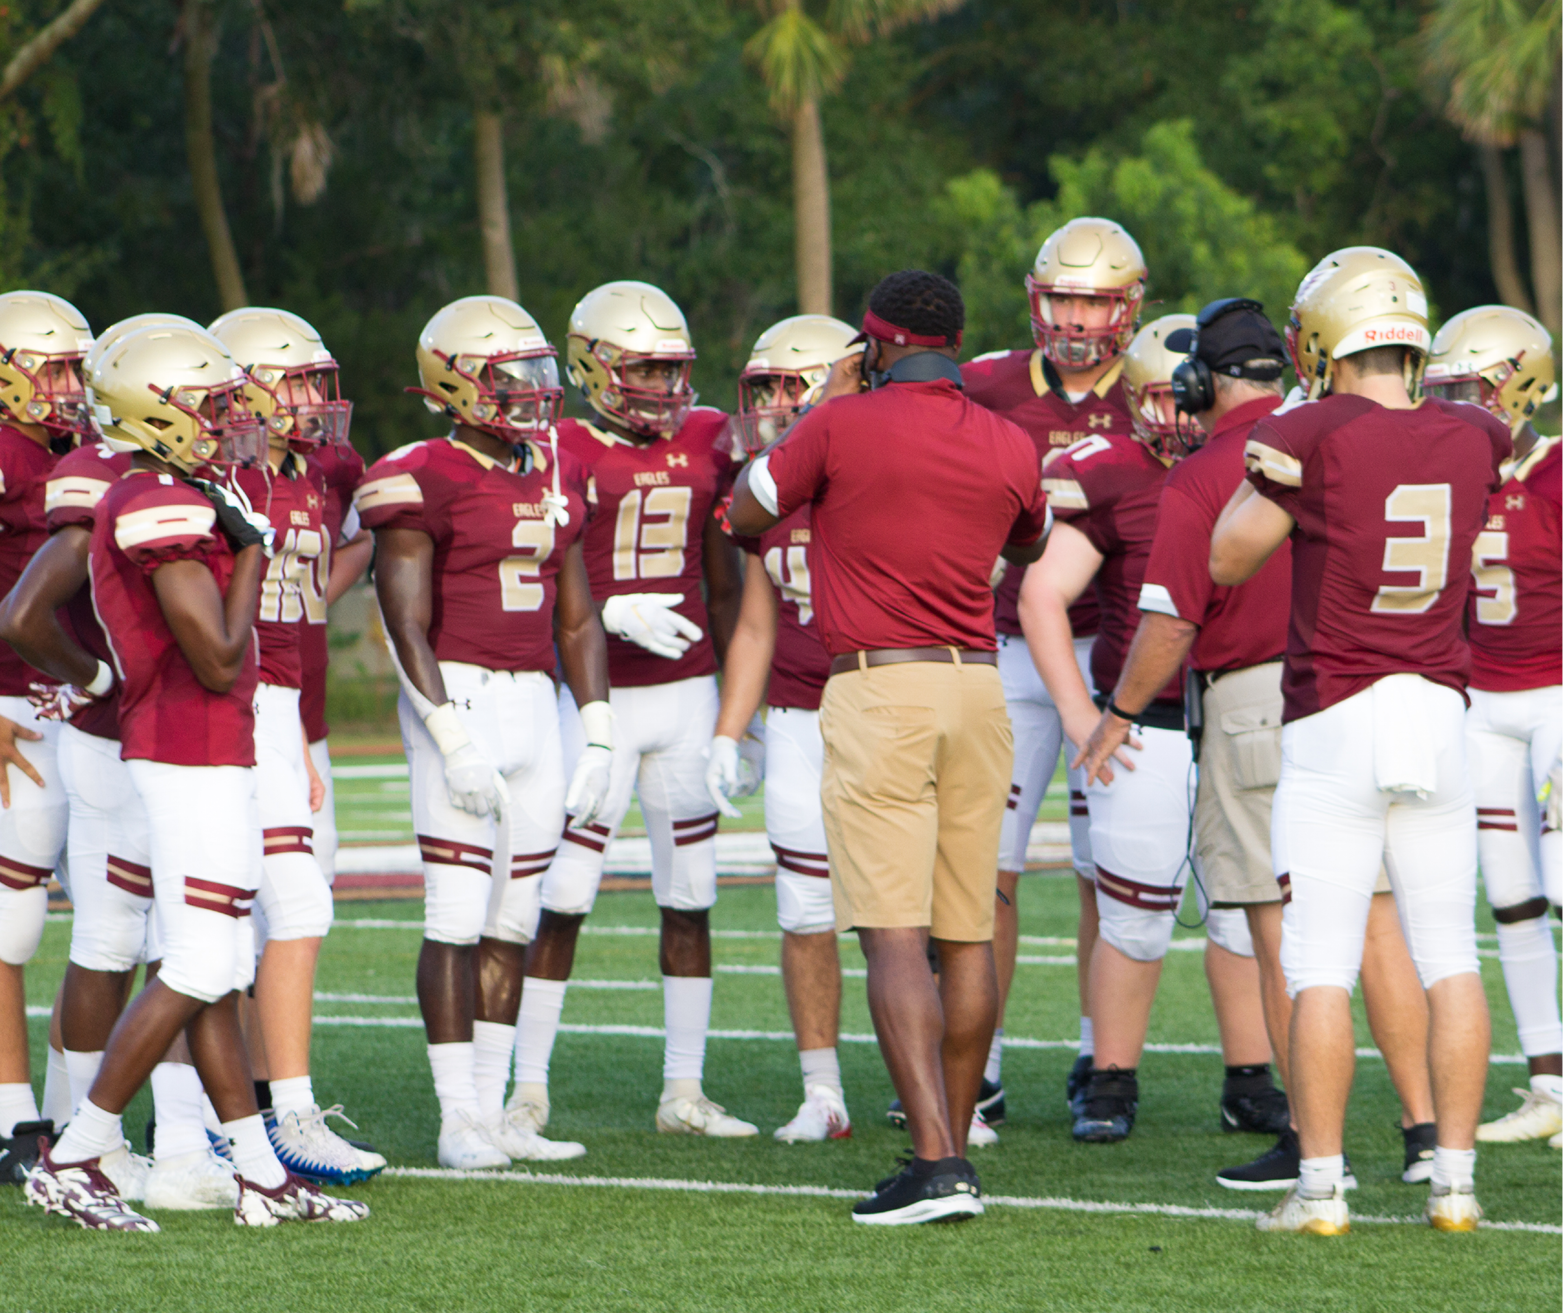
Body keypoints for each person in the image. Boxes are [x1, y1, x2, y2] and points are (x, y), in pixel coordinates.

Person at [1074, 298, 1438, 1190]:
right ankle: (1427, 1131)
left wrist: (1119, 713)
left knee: (1282, 935)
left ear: (1198, 381)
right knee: (1382, 926)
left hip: (1253, 706)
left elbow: (1170, 620)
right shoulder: (1356, 437)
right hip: (1372, 693)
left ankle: (1312, 1144)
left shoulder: (1207, 473)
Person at [24, 323, 367, 1229]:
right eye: (210, 404)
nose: (231, 418)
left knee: (207, 959)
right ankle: (74, 1150)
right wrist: (252, 550)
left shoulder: (182, 487)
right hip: (185, 742)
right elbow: (216, 657)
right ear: (154, 411)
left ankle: (256, 1166)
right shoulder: (152, 497)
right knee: (199, 958)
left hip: (207, 742)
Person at [730, 269, 1050, 1225]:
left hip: (880, 683)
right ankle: (951, 1147)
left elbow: (745, 515)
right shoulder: (1009, 436)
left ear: (871, 344)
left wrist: (817, 425)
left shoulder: (838, 424)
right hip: (979, 687)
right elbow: (1028, 546)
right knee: (967, 928)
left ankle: (933, 1159)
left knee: (893, 932)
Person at [1210, 247, 1509, 1236]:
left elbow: (1229, 553)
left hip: (1338, 704)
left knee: (1320, 965)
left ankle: (1323, 1187)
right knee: (1449, 955)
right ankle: (1456, 1183)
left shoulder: (1310, 427)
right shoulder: (1475, 432)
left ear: (1328, 336)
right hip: (1439, 703)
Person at [357, 295, 607, 1169]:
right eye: (509, 376)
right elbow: (403, 623)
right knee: (456, 913)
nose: (534, 392)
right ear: (456, 384)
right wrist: (448, 733)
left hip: (538, 699)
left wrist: (601, 727)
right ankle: (455, 1114)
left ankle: (499, 1110)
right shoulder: (419, 470)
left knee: (515, 913)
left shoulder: (552, 468)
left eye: (537, 372)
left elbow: (577, 619)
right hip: (456, 692)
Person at [1018, 314, 1275, 1144]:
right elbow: (1041, 594)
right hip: (1145, 720)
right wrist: (1080, 712)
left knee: (1244, 909)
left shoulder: (1267, 457)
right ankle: (1108, 1075)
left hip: (1241, 705)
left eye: (1181, 394)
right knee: (1133, 911)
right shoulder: (1111, 471)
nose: (1170, 414)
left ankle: (1251, 1077)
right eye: (1154, 396)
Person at [515, 281, 753, 1139]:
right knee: (564, 892)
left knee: (692, 895)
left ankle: (682, 1090)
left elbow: (725, 582)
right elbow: (525, 575)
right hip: (595, 698)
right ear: (592, 367)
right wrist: (596, 617)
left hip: (688, 693)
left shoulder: (707, 439)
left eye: (669, 368)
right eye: (642, 367)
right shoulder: (558, 445)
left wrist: (740, 705)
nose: (661, 385)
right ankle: (527, 1089)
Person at [960, 216, 1139, 1117]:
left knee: (1107, 872)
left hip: (1110, 653)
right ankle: (976, 1062)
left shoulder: (1153, 388)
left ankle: (1095, 1060)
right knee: (986, 866)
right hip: (1002, 645)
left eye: (1093, 300)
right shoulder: (986, 384)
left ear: (1128, 307)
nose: (1073, 319)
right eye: (1061, 297)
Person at [210, 308, 384, 1186]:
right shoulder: (214, 480)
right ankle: (279, 1112)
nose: (316, 400)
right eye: (297, 381)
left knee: (266, 915)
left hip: (292, 712)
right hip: (242, 708)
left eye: (319, 380)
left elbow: (351, 547)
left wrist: (314, 584)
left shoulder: (325, 469)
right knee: (270, 912)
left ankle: (242, 1106)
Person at [706, 313, 867, 1144]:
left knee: (907, 910)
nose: (768, 403)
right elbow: (758, 624)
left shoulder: (876, 461)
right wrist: (731, 732)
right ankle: (822, 1091)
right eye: (760, 387)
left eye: (784, 385)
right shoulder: (763, 486)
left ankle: (954, 1087)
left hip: (884, 706)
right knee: (804, 907)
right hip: (799, 713)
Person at [1424, 305, 1561, 1147]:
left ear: (1523, 387)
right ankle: (1548, 1078)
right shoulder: (1447, 473)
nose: (1454, 408)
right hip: (1479, 703)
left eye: (1470, 390)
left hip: (1558, 694)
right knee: (1509, 898)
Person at [0, 291, 93, 1175]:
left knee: (109, 917)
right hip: (13, 709)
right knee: (12, 920)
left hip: (80, 705)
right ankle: (10, 1115)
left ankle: (74, 1112)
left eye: (76, 366)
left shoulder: (83, 450)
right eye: (52, 367)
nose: (69, 386)